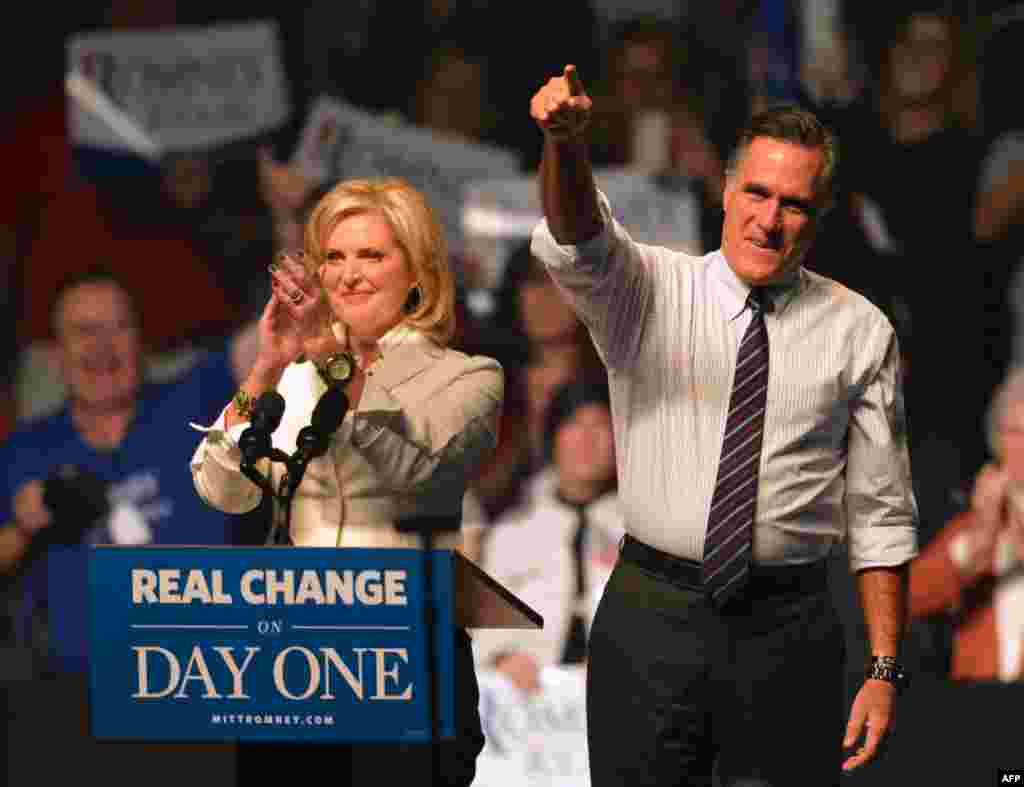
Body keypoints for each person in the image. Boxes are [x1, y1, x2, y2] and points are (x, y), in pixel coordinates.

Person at [528, 65, 918, 785]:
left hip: (792, 625)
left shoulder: (861, 330)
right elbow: (580, 233)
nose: (769, 220)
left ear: (822, 213)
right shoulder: (647, 290)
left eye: (795, 204)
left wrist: (884, 667)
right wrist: (566, 146)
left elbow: (881, 515)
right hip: (651, 614)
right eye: (757, 193)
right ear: (726, 190)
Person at [190, 176, 503, 785]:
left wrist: (329, 358)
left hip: (408, 659)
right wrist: (268, 365)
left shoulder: (465, 377)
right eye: (333, 256)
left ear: (418, 273)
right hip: (293, 662)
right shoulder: (293, 375)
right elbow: (221, 489)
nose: (348, 274)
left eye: (372, 255)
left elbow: (413, 472)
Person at [0, 267, 256, 784]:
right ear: (57, 353)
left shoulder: (193, 406)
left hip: (196, 695)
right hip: (69, 713)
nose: (102, 346)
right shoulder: (25, 451)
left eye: (117, 327)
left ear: (143, 343)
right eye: (83, 332)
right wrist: (23, 527)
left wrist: (288, 219)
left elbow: (269, 341)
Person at [475, 378, 622, 690]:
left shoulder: (640, 532)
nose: (586, 439)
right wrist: (501, 656)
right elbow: (482, 622)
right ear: (553, 437)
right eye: (574, 424)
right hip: (531, 697)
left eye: (600, 425)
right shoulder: (513, 531)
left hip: (620, 689)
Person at [908, 367, 1024, 682]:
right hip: (980, 710)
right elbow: (909, 599)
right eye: (1015, 432)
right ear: (997, 441)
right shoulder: (973, 526)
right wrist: (980, 540)